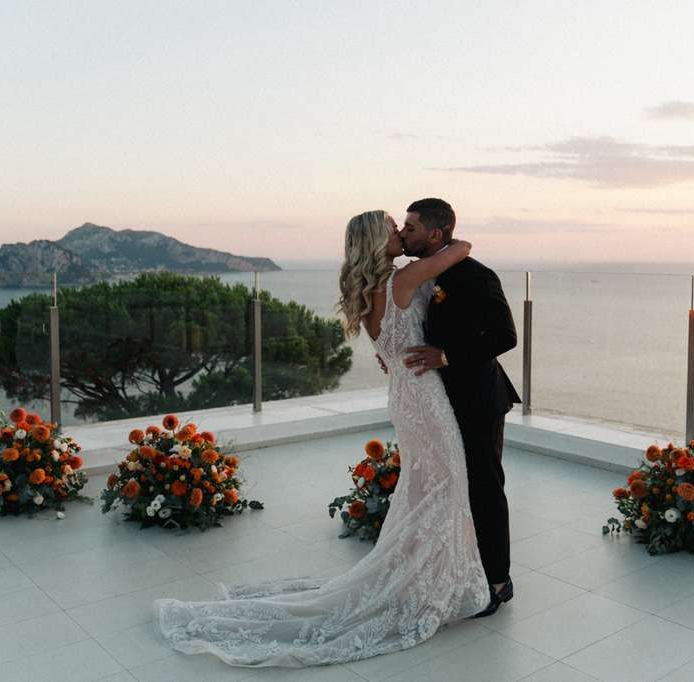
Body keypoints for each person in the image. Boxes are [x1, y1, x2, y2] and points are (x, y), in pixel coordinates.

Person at [154, 209, 489, 667]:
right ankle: (425, 586)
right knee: (444, 487)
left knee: (422, 493)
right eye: (392, 229)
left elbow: (389, 348)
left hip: (402, 397)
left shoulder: (369, 290)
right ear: (376, 241)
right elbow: (461, 249)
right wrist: (425, 242)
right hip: (426, 400)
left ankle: (420, 578)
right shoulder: (402, 281)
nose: (398, 233)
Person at [399, 197, 520, 617]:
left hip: (479, 398)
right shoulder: (415, 277)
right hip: (436, 400)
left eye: (410, 227)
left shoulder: (476, 275)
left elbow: (506, 336)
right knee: (451, 487)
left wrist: (447, 355)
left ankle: (498, 581)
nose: (403, 233)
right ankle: (459, 569)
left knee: (485, 487)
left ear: (436, 234)